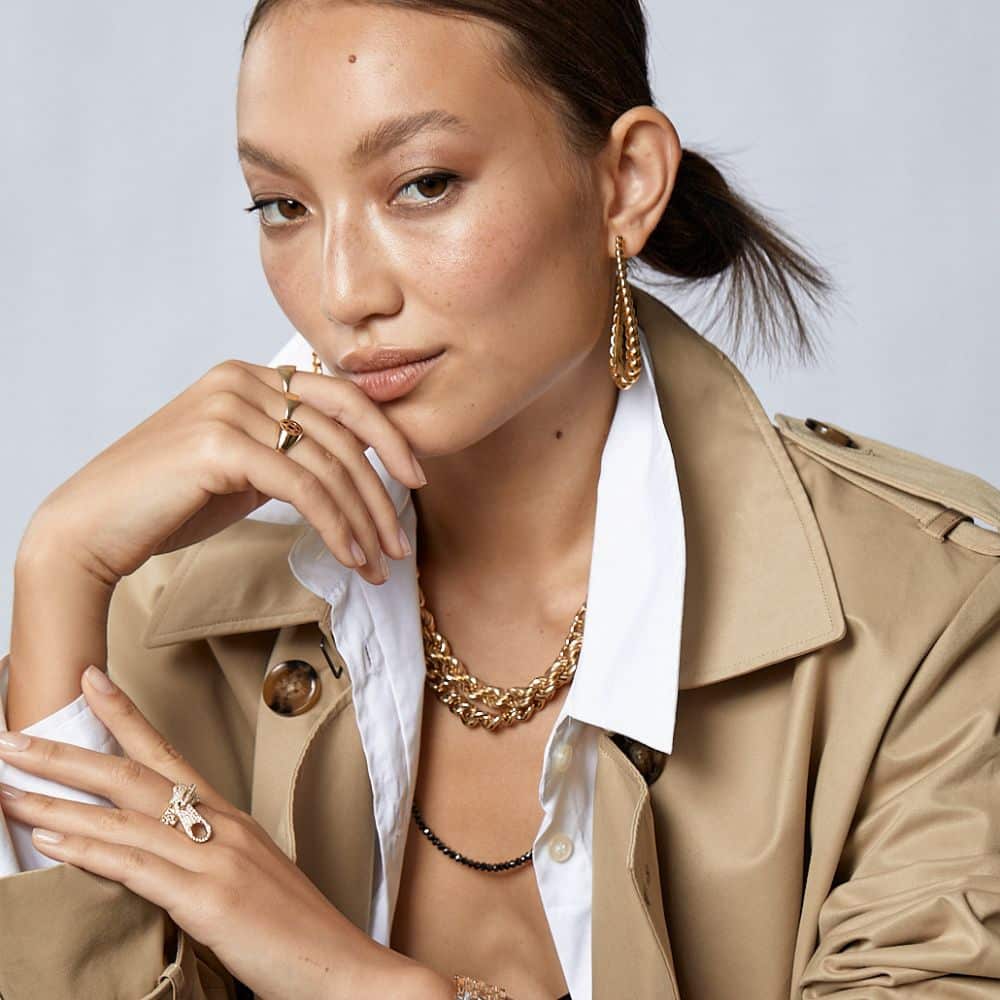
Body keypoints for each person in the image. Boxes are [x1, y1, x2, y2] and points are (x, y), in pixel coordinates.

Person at [2, 2, 1000, 999]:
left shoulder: (933, 619)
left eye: (423, 185)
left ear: (625, 182)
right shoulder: (172, 617)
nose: (343, 293)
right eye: (283, 206)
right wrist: (60, 566)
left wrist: (358, 983)